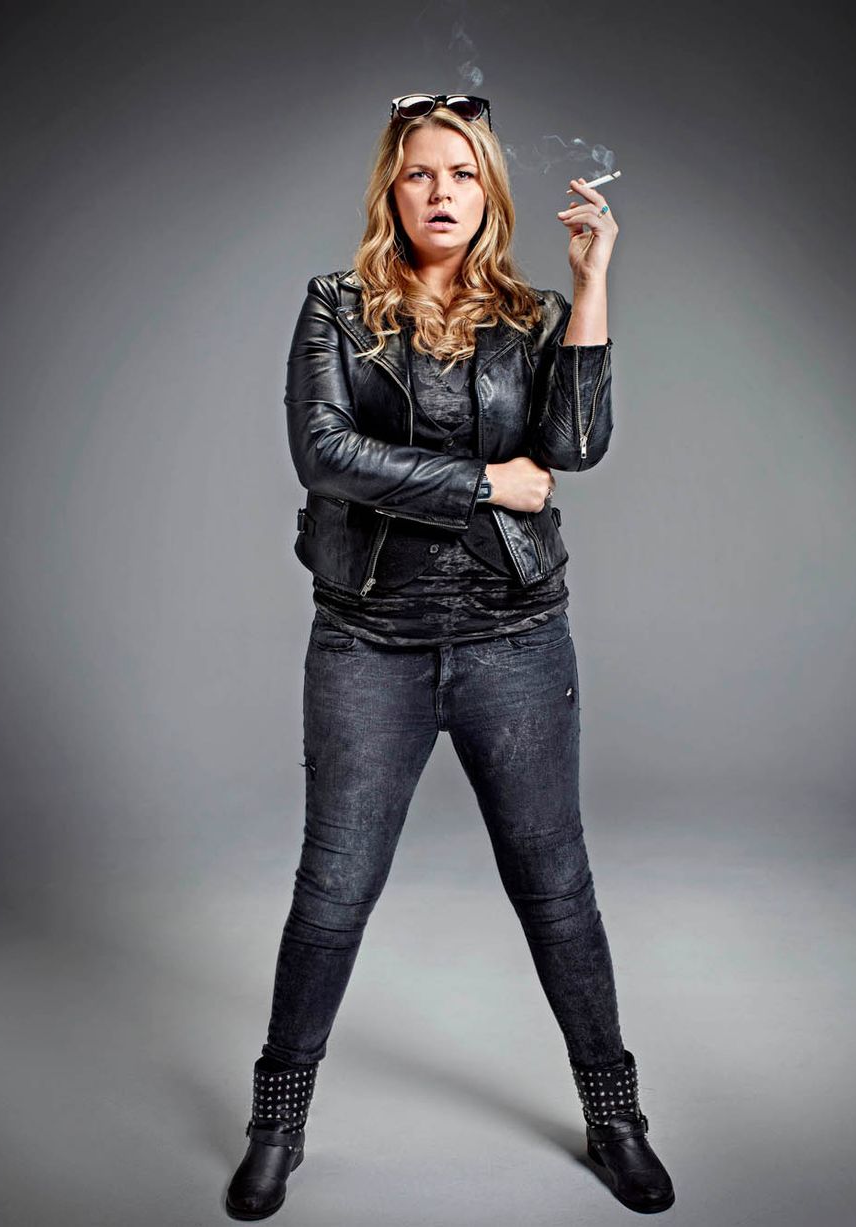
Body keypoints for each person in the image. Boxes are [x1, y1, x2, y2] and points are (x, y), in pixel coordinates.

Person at [225, 92, 675, 1220]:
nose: (441, 192)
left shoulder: (530, 314)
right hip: (368, 637)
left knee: (555, 890)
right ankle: (275, 1125)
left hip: (512, 634)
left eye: (463, 174)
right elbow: (324, 454)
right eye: (421, 172)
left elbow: (575, 446)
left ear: (489, 193)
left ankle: (615, 1116)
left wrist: (593, 283)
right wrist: (482, 482)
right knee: (333, 891)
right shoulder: (336, 307)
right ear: (393, 187)